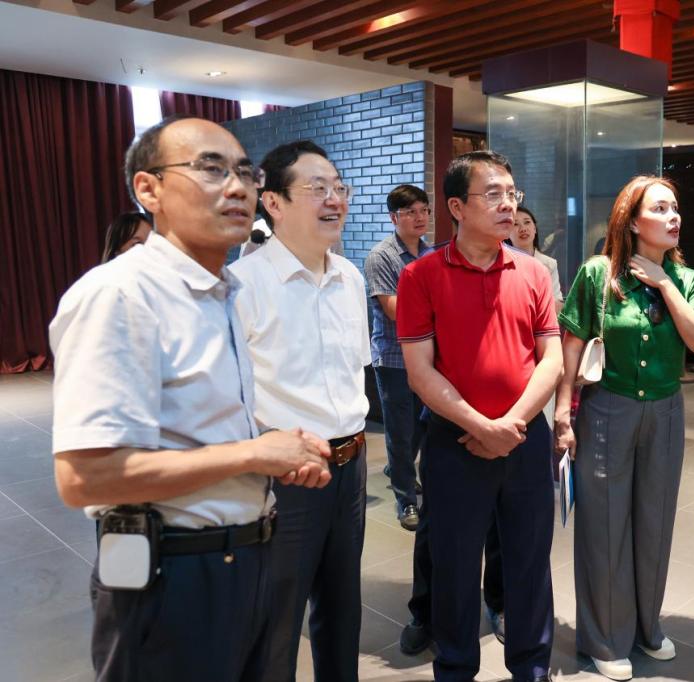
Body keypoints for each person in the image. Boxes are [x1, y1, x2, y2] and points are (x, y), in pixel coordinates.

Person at [49, 116, 332, 682]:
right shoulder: (121, 293)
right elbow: (85, 478)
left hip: (244, 555)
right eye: (211, 169)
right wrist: (254, 455)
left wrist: (274, 451)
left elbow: (199, 428)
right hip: (168, 570)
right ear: (148, 189)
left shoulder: (222, 291)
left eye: (245, 173)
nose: (237, 187)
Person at [397, 150, 562, 682]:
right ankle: (455, 668)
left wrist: (511, 425)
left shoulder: (533, 272)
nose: (508, 205)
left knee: (529, 563)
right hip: (454, 442)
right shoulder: (421, 275)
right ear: (456, 207)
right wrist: (481, 426)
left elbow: (552, 359)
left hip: (525, 438)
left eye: (512, 194)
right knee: (454, 565)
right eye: (493, 194)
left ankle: (532, 669)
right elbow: (420, 371)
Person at [554, 175, 694, 681]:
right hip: (607, 409)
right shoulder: (598, 273)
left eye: (675, 208)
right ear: (632, 220)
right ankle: (605, 637)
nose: (673, 217)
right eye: (660, 208)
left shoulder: (686, 279)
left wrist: (664, 283)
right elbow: (572, 344)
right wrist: (563, 411)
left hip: (666, 412)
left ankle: (647, 626)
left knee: (654, 521)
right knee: (604, 526)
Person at [229, 140, 369, 682]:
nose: (334, 199)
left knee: (343, 607)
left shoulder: (350, 278)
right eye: (317, 188)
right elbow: (232, 398)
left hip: (351, 465)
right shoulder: (244, 285)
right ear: (274, 202)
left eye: (339, 187)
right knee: (276, 617)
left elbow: (354, 373)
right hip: (286, 475)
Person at [365, 184, 431, 531]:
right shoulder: (382, 256)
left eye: (423, 210)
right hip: (393, 357)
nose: (419, 218)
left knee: (422, 422)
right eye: (410, 212)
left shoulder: (430, 253)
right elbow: (393, 310)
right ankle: (405, 499)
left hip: (428, 356)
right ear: (394, 218)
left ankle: (398, 467)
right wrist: (435, 303)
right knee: (400, 430)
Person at [509, 206, 563, 312]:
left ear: (534, 228)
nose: (523, 229)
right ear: (506, 232)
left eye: (527, 222)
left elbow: (556, 305)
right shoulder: (502, 264)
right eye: (515, 224)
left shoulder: (549, 264)